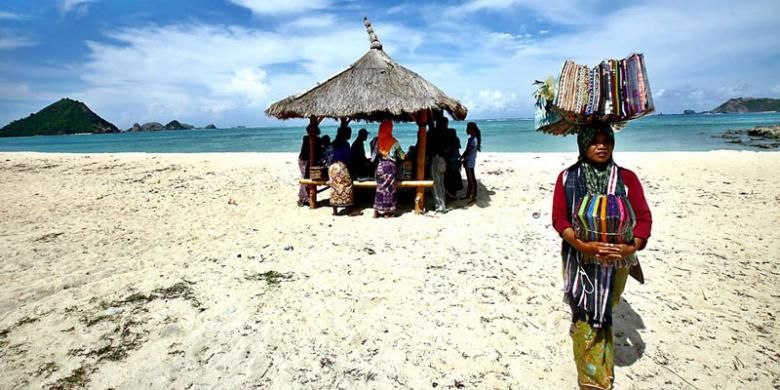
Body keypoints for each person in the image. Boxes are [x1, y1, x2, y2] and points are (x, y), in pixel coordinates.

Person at [550, 122, 652, 389]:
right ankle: (592, 379)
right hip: (579, 259)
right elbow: (560, 219)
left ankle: (601, 365)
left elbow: (643, 218)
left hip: (619, 262)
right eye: (594, 141)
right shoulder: (567, 178)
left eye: (606, 141)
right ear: (583, 144)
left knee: (605, 308)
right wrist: (584, 246)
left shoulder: (627, 179)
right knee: (585, 312)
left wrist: (631, 247)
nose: (601, 146)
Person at [371, 120, 405, 218]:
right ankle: (387, 212)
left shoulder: (377, 140)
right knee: (390, 189)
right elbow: (402, 156)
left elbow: (373, 156)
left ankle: (376, 211)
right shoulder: (394, 141)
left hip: (380, 166)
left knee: (380, 188)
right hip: (390, 167)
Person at [328, 125, 354, 215]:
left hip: (332, 168)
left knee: (334, 187)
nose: (350, 135)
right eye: (349, 133)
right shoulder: (345, 144)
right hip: (341, 166)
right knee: (347, 186)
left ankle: (335, 210)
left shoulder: (333, 143)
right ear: (345, 134)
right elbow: (348, 158)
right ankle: (348, 208)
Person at [297, 124, 321, 206]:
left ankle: (305, 198)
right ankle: (302, 198)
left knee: (307, 178)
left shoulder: (316, 139)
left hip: (308, 161)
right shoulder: (306, 138)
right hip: (303, 160)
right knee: (305, 178)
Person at [429, 116, 449, 213]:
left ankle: (440, 205)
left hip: (436, 159)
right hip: (443, 159)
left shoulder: (435, 133)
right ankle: (443, 203)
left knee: (436, 184)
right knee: (441, 183)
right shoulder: (447, 133)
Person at [459, 122, 481, 203]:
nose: (466, 130)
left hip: (469, 161)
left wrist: (463, 159)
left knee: (471, 179)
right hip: (470, 160)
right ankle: (468, 195)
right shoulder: (473, 139)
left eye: (467, 128)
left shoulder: (473, 140)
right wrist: (462, 157)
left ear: (471, 129)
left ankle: (473, 197)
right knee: (470, 179)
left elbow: (468, 151)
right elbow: (467, 151)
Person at [444, 127, 464, 198]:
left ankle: (451, 193)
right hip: (455, 159)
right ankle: (453, 193)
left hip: (451, 160)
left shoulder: (449, 140)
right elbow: (458, 148)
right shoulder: (456, 139)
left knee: (450, 177)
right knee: (455, 176)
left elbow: (448, 151)